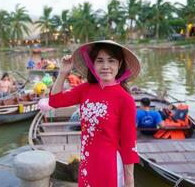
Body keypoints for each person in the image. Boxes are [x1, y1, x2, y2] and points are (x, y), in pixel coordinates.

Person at [49, 40, 140, 187]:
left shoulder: (125, 99)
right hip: (87, 161)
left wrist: (129, 181)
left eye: (111, 61)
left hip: (110, 165)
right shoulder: (85, 89)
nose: (105, 66)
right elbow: (55, 101)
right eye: (100, 60)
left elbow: (129, 143)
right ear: (93, 64)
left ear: (120, 64)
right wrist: (63, 73)